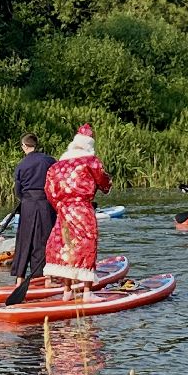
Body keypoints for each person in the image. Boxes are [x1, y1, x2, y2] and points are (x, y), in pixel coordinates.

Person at [44, 124, 112, 298]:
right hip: (82, 208)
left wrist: (59, 206)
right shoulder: (90, 161)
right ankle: (87, 292)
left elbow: (49, 191)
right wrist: (106, 187)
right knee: (87, 244)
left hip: (63, 210)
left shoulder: (56, 166)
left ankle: (67, 290)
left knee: (66, 245)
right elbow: (103, 181)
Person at [6, 133, 57, 301]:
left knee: (24, 241)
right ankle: (46, 278)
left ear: (24, 146)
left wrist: (26, 199)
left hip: (28, 204)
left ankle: (19, 278)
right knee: (45, 240)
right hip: (45, 204)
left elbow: (18, 191)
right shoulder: (50, 161)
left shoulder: (21, 165)